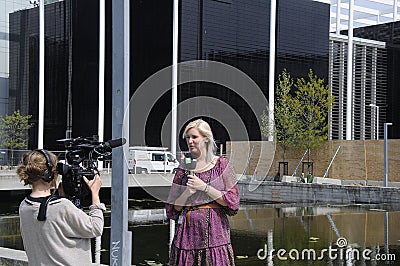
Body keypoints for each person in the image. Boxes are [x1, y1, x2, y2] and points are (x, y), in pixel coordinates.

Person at [166, 119, 240, 266]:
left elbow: (233, 202)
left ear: (206, 139)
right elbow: (173, 208)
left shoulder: (221, 164)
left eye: (194, 137)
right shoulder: (186, 165)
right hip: (187, 235)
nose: (190, 141)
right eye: (188, 137)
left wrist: (204, 187)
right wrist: (187, 193)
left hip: (215, 234)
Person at [16, 149, 105, 265]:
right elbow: (96, 228)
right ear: (49, 175)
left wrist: (60, 196)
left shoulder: (24, 206)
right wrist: (95, 194)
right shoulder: (61, 206)